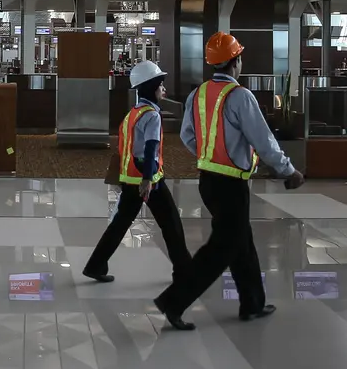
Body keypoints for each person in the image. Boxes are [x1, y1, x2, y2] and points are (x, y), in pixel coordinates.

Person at [153, 32, 305, 331]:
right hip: (231, 184)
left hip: (208, 181)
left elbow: (187, 135)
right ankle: (174, 301)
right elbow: (263, 140)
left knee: (241, 242)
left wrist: (208, 154)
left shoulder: (197, 95)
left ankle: (253, 303)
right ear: (236, 61)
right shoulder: (240, 96)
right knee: (221, 248)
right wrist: (288, 170)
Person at [82, 60, 192, 285]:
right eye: (161, 85)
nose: (164, 89)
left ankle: (95, 264)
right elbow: (151, 148)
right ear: (152, 87)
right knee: (171, 223)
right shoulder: (152, 115)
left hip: (129, 178)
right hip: (148, 180)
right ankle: (184, 270)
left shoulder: (131, 114)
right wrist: (148, 179)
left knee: (120, 224)